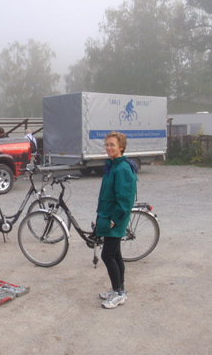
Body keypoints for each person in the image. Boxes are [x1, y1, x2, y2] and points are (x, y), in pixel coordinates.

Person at [95, 131, 137, 309]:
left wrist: (114, 220)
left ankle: (118, 293)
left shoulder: (123, 168)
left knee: (108, 255)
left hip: (115, 218)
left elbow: (126, 200)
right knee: (116, 254)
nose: (108, 148)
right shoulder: (113, 165)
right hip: (108, 215)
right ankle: (119, 290)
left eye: (112, 144)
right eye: (107, 144)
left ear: (121, 147)